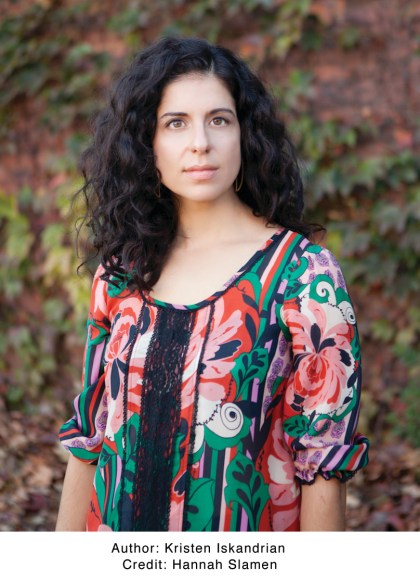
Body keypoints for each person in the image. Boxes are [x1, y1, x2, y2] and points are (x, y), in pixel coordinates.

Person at [56, 36, 369, 532]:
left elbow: (323, 465)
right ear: (147, 143)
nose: (200, 142)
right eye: (175, 123)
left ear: (245, 133)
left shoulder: (304, 277)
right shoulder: (121, 272)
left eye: (219, 120)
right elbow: (91, 438)